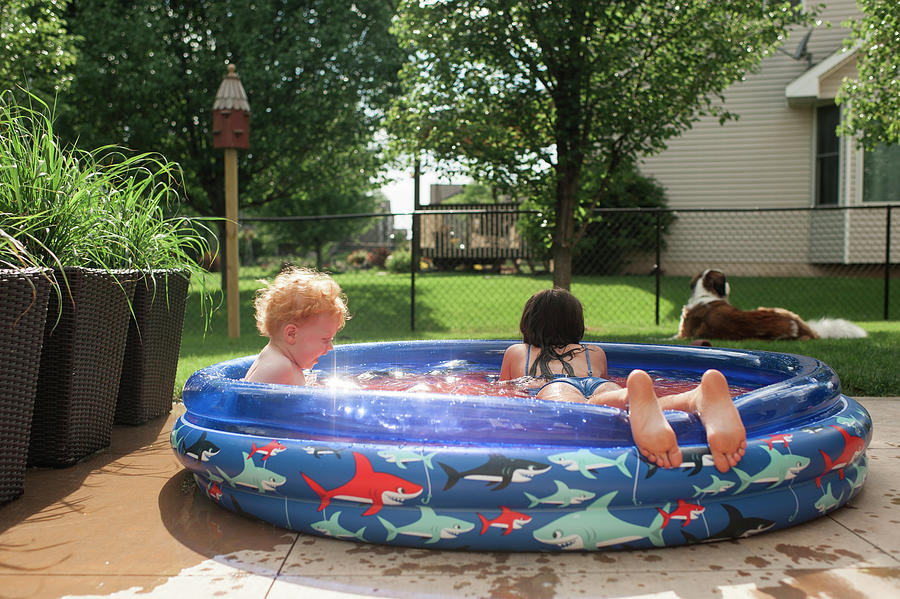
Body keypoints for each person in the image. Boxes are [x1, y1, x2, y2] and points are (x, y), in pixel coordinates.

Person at [499, 288, 746, 473]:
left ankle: (634, 395)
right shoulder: (594, 352)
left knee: (574, 412)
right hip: (598, 384)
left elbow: (506, 394)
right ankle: (691, 396)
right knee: (614, 402)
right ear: (576, 323)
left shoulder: (517, 352)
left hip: (553, 386)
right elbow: (594, 387)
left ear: (528, 322)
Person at [243, 266, 349, 386]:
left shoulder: (276, 358)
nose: (330, 348)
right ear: (292, 334)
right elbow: (254, 403)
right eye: (325, 339)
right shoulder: (280, 368)